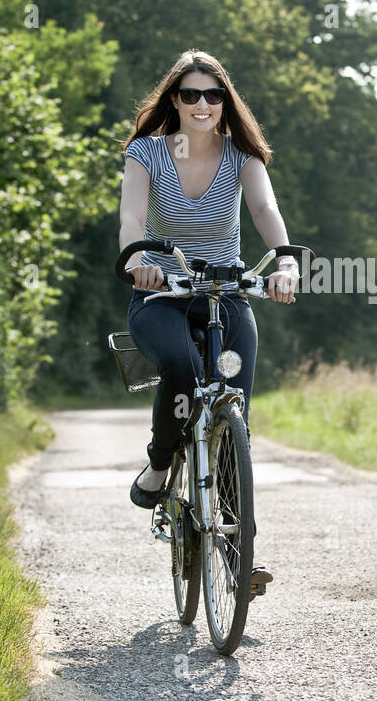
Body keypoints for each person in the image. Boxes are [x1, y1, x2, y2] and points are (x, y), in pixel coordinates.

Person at [119, 49, 299, 541]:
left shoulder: (243, 157)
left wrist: (284, 261)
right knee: (181, 365)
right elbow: (132, 219)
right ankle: (159, 466)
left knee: (234, 402)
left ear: (225, 102)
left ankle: (239, 549)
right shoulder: (147, 152)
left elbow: (263, 208)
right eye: (191, 94)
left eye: (213, 95)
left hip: (226, 293)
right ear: (174, 100)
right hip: (162, 294)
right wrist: (138, 263)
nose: (202, 104)